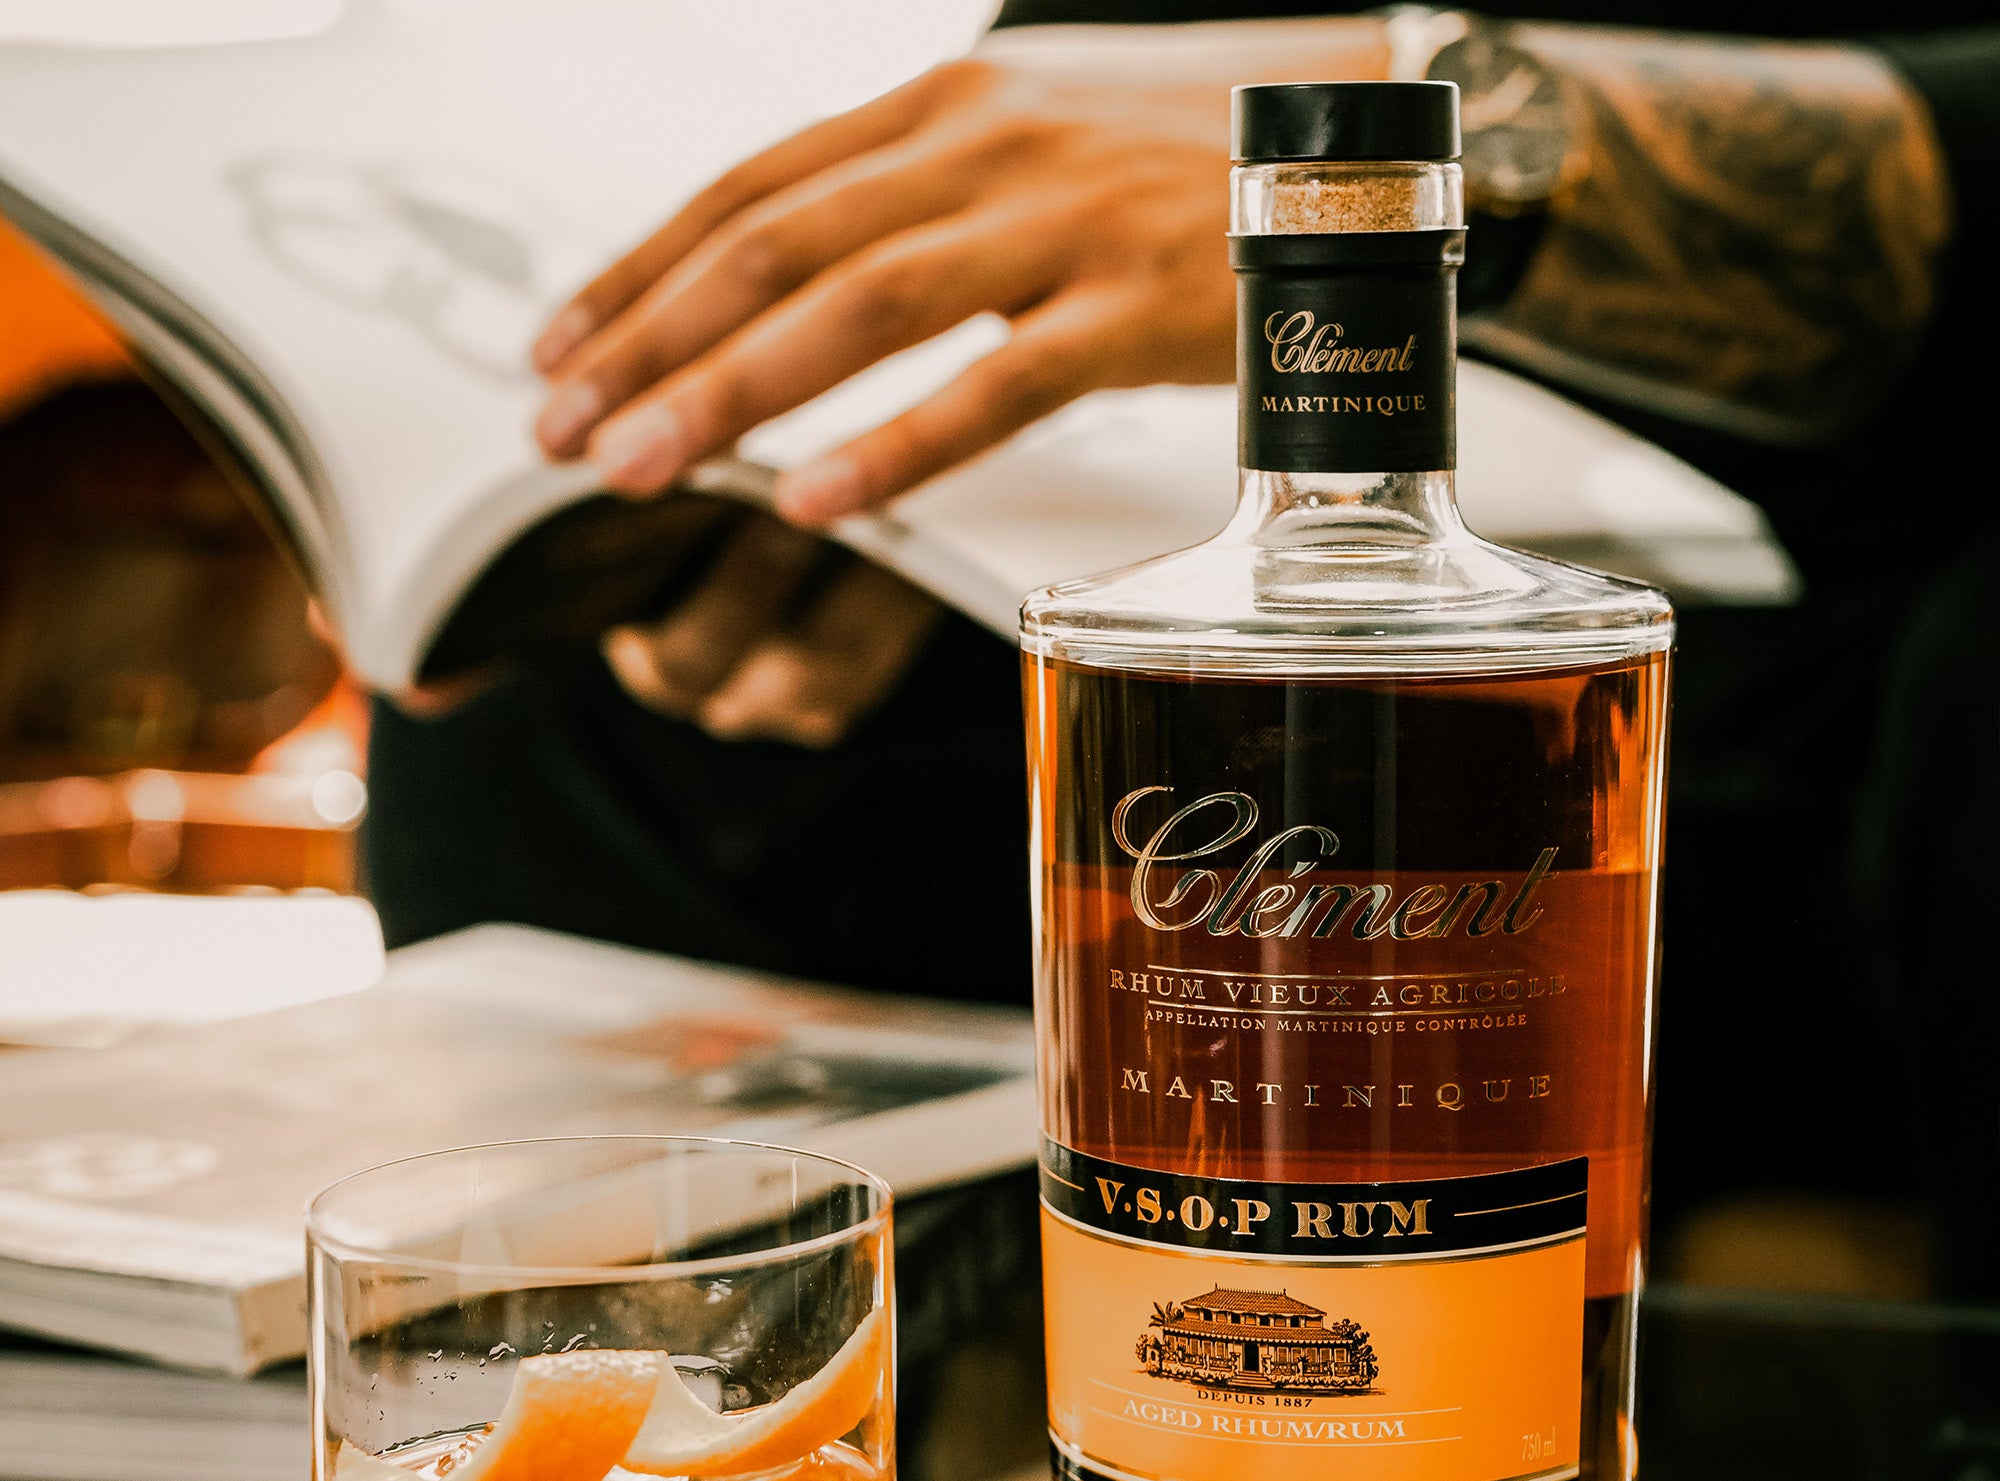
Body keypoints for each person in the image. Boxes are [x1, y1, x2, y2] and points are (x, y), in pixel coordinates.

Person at [363, 7, 1996, 1293]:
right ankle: (810, 1463)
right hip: (1159, 495)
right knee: (533, 711)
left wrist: (1418, 125)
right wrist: (840, 489)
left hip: (1832, 607)